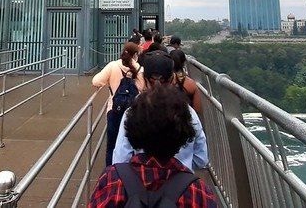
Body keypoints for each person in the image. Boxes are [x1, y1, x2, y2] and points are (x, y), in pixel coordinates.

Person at [88, 84, 217, 208]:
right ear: (184, 135)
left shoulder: (112, 181)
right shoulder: (198, 192)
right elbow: (201, 160)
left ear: (133, 130)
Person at [112, 54, 208, 171]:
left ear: (145, 79)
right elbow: (201, 158)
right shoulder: (188, 112)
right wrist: (184, 164)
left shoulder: (133, 111)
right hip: (181, 183)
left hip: (141, 182)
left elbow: (121, 157)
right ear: (172, 79)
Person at [92, 42, 145, 166]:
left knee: (112, 144)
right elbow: (143, 89)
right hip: (134, 111)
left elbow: (96, 81)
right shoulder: (140, 70)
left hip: (115, 109)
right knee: (133, 145)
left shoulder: (113, 65)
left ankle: (111, 172)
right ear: (136, 55)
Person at [169, 49, 202, 116]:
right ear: (184, 63)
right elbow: (197, 110)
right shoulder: (190, 84)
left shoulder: (164, 82)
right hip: (187, 122)